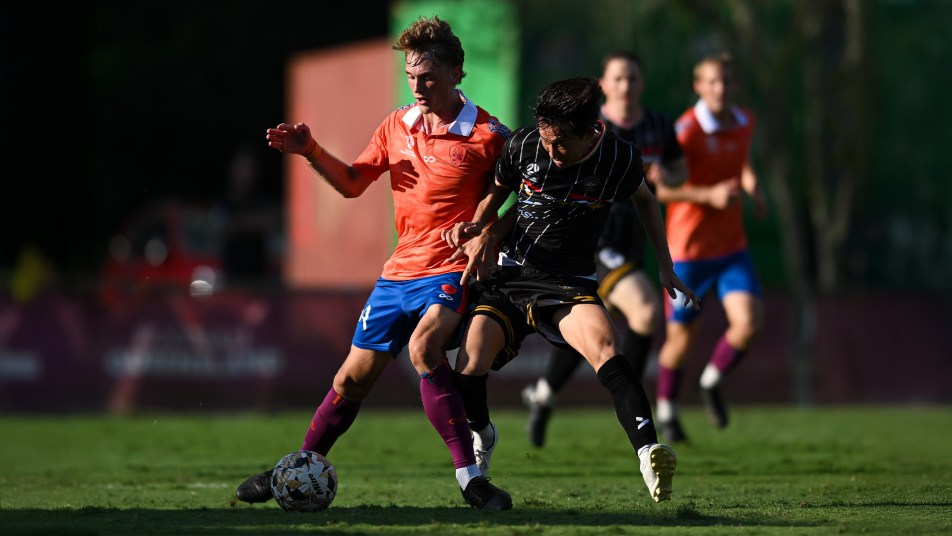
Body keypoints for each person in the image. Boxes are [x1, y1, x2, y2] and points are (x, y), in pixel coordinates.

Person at [234, 16, 514, 510]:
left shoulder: (490, 135)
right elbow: (351, 183)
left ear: (456, 73)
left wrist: (486, 232)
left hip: (450, 270)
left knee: (424, 349)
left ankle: (471, 479)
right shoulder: (395, 125)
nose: (418, 86)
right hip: (397, 274)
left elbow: (522, 192)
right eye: (411, 76)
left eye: (428, 77)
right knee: (351, 380)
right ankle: (295, 469)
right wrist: (309, 150)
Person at [442, 77, 699, 503]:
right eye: (546, 140)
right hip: (511, 274)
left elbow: (646, 200)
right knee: (469, 363)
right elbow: (499, 191)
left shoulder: (618, 158)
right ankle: (483, 433)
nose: (550, 150)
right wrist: (479, 226)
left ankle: (648, 454)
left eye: (560, 143)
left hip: (568, 283)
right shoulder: (524, 144)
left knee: (606, 348)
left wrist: (666, 266)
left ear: (589, 132)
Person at [521, 50, 688, 448]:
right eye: (618, 78)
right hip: (596, 244)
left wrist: (667, 175)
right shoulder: (585, 130)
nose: (625, 86)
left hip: (634, 245)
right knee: (645, 311)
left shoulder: (659, 127)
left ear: (642, 83)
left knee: (590, 330)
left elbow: (679, 172)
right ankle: (631, 400)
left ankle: (544, 393)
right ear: (603, 85)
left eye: (632, 78)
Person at [649, 52, 767, 443]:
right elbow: (661, 191)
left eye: (726, 81)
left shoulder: (745, 121)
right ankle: (667, 411)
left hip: (732, 249)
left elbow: (740, 162)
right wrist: (709, 195)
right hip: (688, 252)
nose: (720, 88)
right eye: (712, 81)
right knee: (680, 341)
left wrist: (753, 186)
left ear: (735, 85)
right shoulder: (686, 131)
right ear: (698, 86)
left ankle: (711, 381)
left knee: (748, 324)